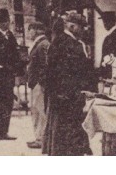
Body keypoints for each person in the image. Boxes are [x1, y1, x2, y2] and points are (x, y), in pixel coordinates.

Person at [42, 11, 96, 156]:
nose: (83, 30)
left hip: (68, 94)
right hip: (65, 95)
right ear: (72, 26)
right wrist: (73, 91)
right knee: (66, 132)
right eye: (81, 27)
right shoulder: (63, 43)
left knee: (69, 130)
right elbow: (59, 72)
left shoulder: (71, 43)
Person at [0, 8, 23, 140]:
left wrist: (18, 73)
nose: (4, 24)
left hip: (9, 75)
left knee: (8, 103)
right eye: (2, 22)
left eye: (6, 21)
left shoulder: (11, 36)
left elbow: (15, 56)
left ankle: (4, 131)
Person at [26, 21, 50, 150]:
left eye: (30, 30)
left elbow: (45, 66)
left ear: (36, 30)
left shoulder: (43, 44)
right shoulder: (39, 44)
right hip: (35, 83)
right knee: (36, 110)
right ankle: (38, 137)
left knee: (40, 111)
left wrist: (41, 82)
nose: (29, 33)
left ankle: (41, 138)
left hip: (39, 85)